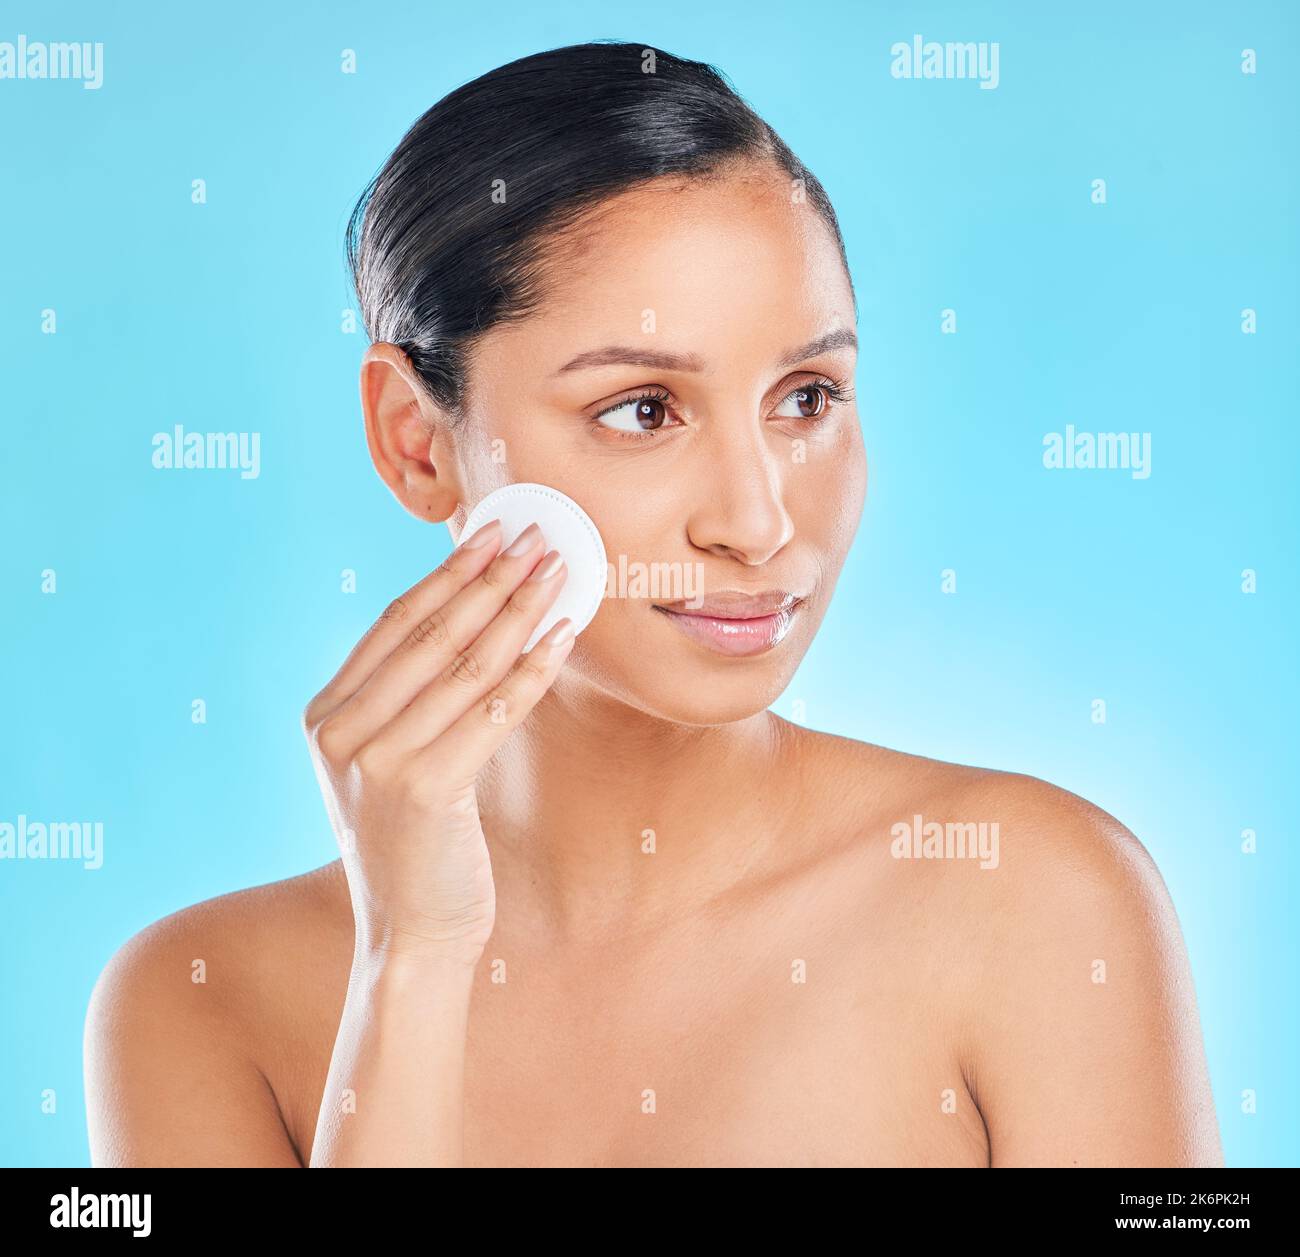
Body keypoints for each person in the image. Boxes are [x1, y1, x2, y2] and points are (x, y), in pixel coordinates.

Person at [84, 41, 1222, 1168]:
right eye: (642, 410)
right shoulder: (197, 1006)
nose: (759, 521)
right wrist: (415, 962)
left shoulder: (1033, 903)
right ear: (416, 441)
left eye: (807, 396)